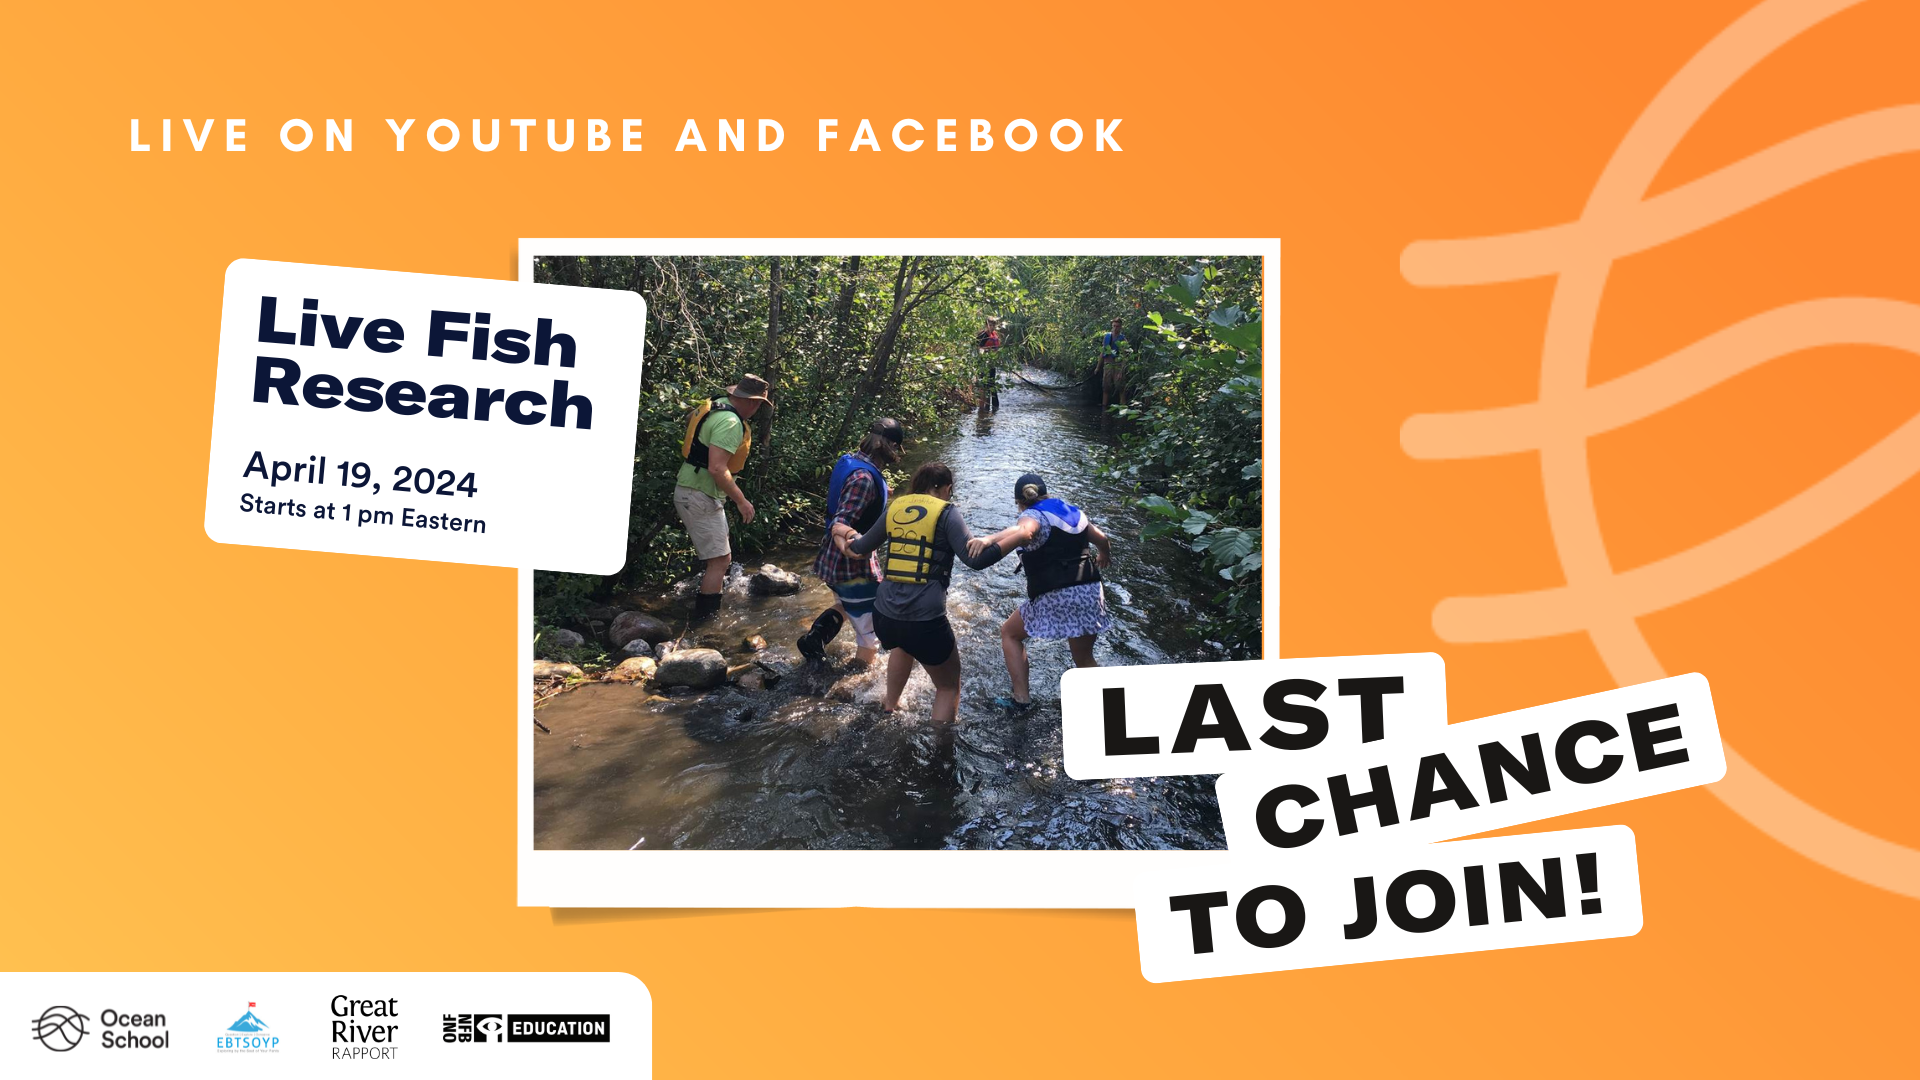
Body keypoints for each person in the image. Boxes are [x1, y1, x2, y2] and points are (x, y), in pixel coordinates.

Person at [833, 462, 1007, 735]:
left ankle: (889, 708)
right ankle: (940, 750)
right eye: (951, 489)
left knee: (903, 647)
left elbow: (860, 548)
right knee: (948, 686)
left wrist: (843, 533)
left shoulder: (895, 507)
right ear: (945, 487)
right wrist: (1016, 537)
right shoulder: (947, 512)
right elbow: (976, 560)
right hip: (924, 619)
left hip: (885, 615)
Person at [968, 472, 1114, 710]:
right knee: (1084, 658)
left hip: (1057, 593)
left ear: (1020, 502)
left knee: (1010, 634)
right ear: (1046, 493)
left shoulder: (1030, 515)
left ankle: (1021, 701)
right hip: (1090, 591)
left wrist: (989, 541)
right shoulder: (1071, 511)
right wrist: (1104, 554)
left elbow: (1024, 531)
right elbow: (1102, 538)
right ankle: (1109, 702)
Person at [798, 417, 906, 663]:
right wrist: (852, 550)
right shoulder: (864, 480)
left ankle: (814, 640)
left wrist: (881, 492)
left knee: (846, 605)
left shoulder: (851, 461)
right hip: (851, 559)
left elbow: (848, 495)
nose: (897, 455)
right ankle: (857, 681)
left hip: (831, 554)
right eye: (895, 448)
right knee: (870, 634)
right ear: (886, 445)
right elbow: (843, 520)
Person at [674, 373, 772, 623]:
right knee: (720, 560)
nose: (758, 408)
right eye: (760, 403)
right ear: (752, 402)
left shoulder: (717, 409)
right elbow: (717, 468)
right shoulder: (730, 422)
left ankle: (702, 611)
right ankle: (706, 622)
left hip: (692, 488)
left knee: (718, 557)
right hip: (699, 493)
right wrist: (742, 501)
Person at [974, 317, 1002, 412]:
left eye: (993, 325)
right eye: (990, 325)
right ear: (986, 325)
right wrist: (986, 353)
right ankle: (983, 409)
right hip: (984, 364)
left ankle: (993, 407)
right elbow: (979, 349)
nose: (992, 327)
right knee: (984, 386)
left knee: (992, 385)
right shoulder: (983, 335)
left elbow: (996, 348)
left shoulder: (994, 334)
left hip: (992, 363)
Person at [1098, 316, 1126, 410]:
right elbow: (1102, 352)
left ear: (1120, 327)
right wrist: (1098, 367)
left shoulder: (1122, 339)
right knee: (1106, 386)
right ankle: (1104, 406)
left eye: (1117, 326)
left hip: (1117, 365)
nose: (1115, 328)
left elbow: (1124, 356)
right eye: (1114, 326)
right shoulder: (1107, 336)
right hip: (1107, 364)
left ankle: (1123, 407)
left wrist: (1121, 371)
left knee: (1120, 387)